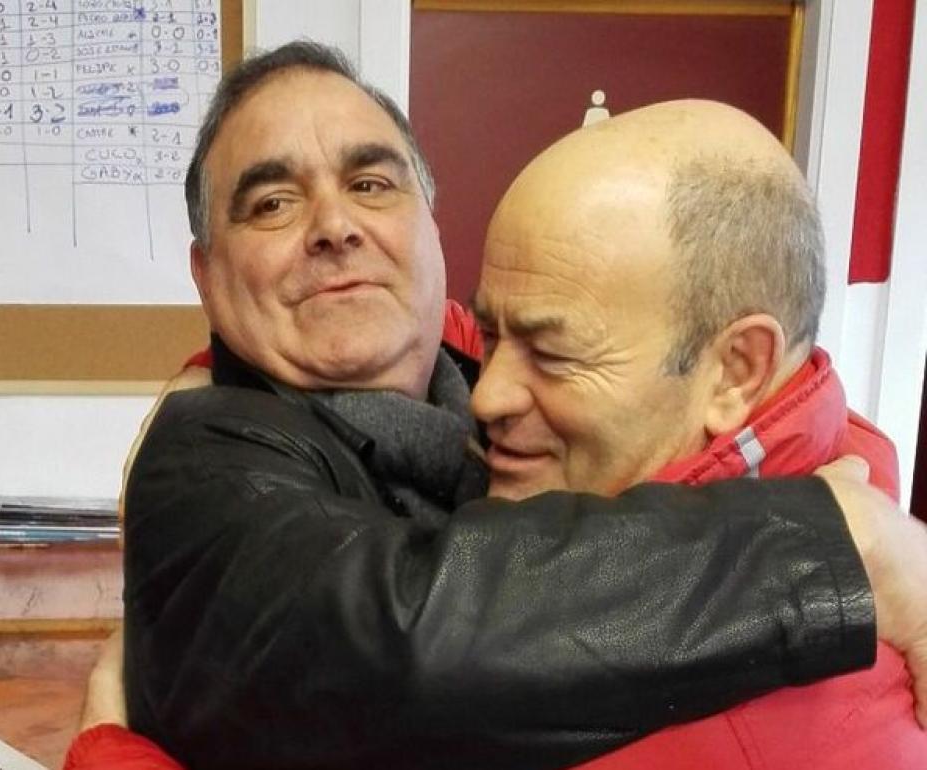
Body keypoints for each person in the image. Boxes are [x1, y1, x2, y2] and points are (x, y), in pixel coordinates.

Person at [67, 42, 927, 770]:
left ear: (431, 227)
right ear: (207, 276)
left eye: (372, 184)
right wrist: (840, 542)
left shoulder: (462, 374)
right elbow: (398, 642)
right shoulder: (211, 456)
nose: (335, 225)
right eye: (271, 204)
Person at [469, 98, 925, 768]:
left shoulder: (705, 736)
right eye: (490, 334)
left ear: (736, 371)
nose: (485, 396)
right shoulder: (839, 447)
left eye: (553, 354)